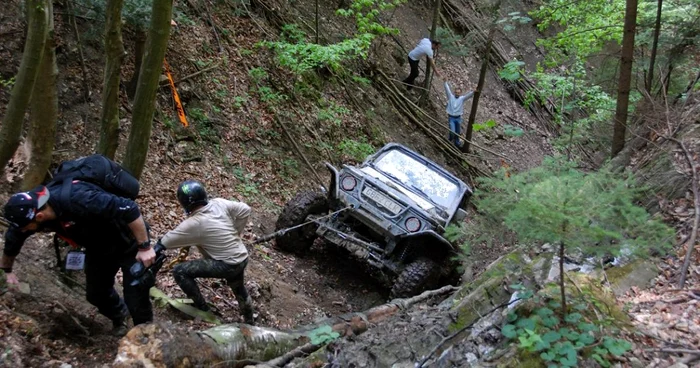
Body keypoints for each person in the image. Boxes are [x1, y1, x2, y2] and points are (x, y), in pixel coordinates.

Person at [1, 183, 156, 336]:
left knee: (135, 295)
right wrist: (6, 270)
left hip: (129, 242)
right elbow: (14, 237)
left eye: (25, 227)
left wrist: (144, 247)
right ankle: (120, 315)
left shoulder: (79, 198)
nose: (24, 230)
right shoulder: (33, 212)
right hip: (98, 247)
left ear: (39, 217)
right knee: (96, 293)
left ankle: (146, 335)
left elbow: (129, 208)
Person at [159, 180, 255, 325]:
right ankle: (249, 321)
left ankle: (203, 310)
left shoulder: (194, 223)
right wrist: (236, 232)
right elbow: (245, 209)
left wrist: (151, 248)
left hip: (227, 265)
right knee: (238, 287)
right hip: (241, 257)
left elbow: (165, 241)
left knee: (179, 271)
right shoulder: (219, 203)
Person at [444, 81, 475, 147]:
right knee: (452, 131)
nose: (457, 94)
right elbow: (447, 89)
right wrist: (445, 82)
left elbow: (468, 96)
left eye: (458, 93)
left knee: (457, 132)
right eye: (456, 92)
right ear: (454, 92)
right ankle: (450, 140)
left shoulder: (462, 99)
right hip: (451, 117)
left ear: (460, 93)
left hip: (458, 118)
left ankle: (457, 143)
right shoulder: (450, 97)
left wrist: (474, 91)